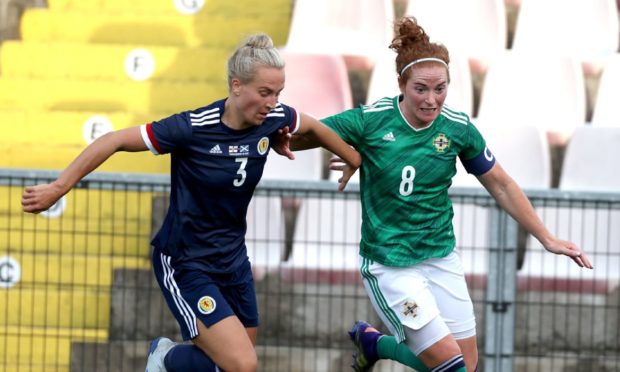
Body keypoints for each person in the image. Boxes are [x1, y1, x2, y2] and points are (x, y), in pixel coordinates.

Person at [21, 33, 361, 372]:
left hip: (232, 259)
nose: (273, 102)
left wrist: (351, 158)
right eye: (265, 93)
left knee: (233, 363)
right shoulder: (192, 128)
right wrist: (58, 187)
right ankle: (164, 357)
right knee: (242, 365)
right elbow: (113, 140)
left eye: (278, 93)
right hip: (186, 262)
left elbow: (314, 126)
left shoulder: (273, 119)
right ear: (236, 85)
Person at [288, 17, 593, 372]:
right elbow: (306, 136)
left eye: (441, 88)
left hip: (440, 259)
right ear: (401, 83)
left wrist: (547, 237)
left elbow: (501, 183)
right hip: (390, 267)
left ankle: (374, 344)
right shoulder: (371, 121)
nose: (432, 100)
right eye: (421, 89)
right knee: (451, 367)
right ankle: (377, 343)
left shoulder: (457, 127)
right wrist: (350, 152)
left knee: (467, 363)